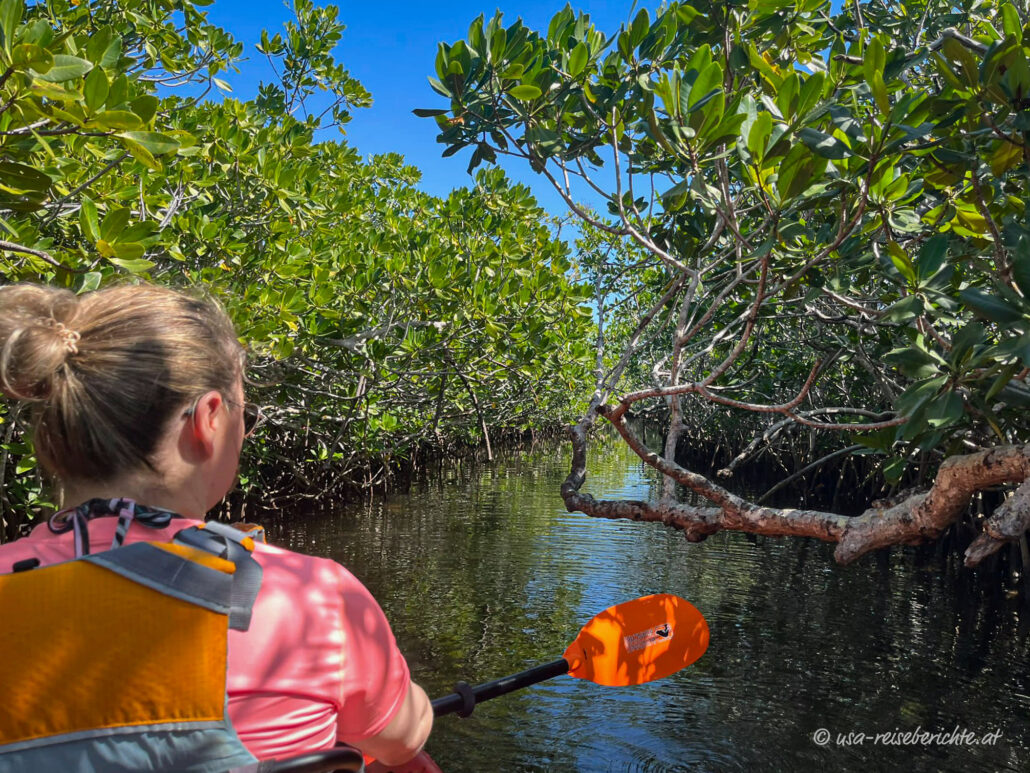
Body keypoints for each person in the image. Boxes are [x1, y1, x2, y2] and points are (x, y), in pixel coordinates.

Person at [0, 282, 434, 767]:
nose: (244, 431)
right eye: (242, 412)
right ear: (207, 419)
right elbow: (404, 738)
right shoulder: (316, 598)